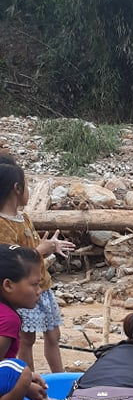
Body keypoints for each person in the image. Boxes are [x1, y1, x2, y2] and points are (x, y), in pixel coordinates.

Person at [0, 154, 75, 372]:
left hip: (43, 286)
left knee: (54, 334)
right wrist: (39, 251)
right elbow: (10, 259)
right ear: (16, 188)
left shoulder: (24, 218)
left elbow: (34, 246)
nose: (28, 191)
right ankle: (28, 379)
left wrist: (51, 246)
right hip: (24, 289)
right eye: (26, 186)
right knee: (27, 339)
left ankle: (60, 377)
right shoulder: (3, 224)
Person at [0, 245, 48, 400]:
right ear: (8, 285)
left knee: (20, 371)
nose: (39, 291)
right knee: (20, 371)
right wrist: (25, 383)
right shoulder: (8, 319)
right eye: (34, 284)